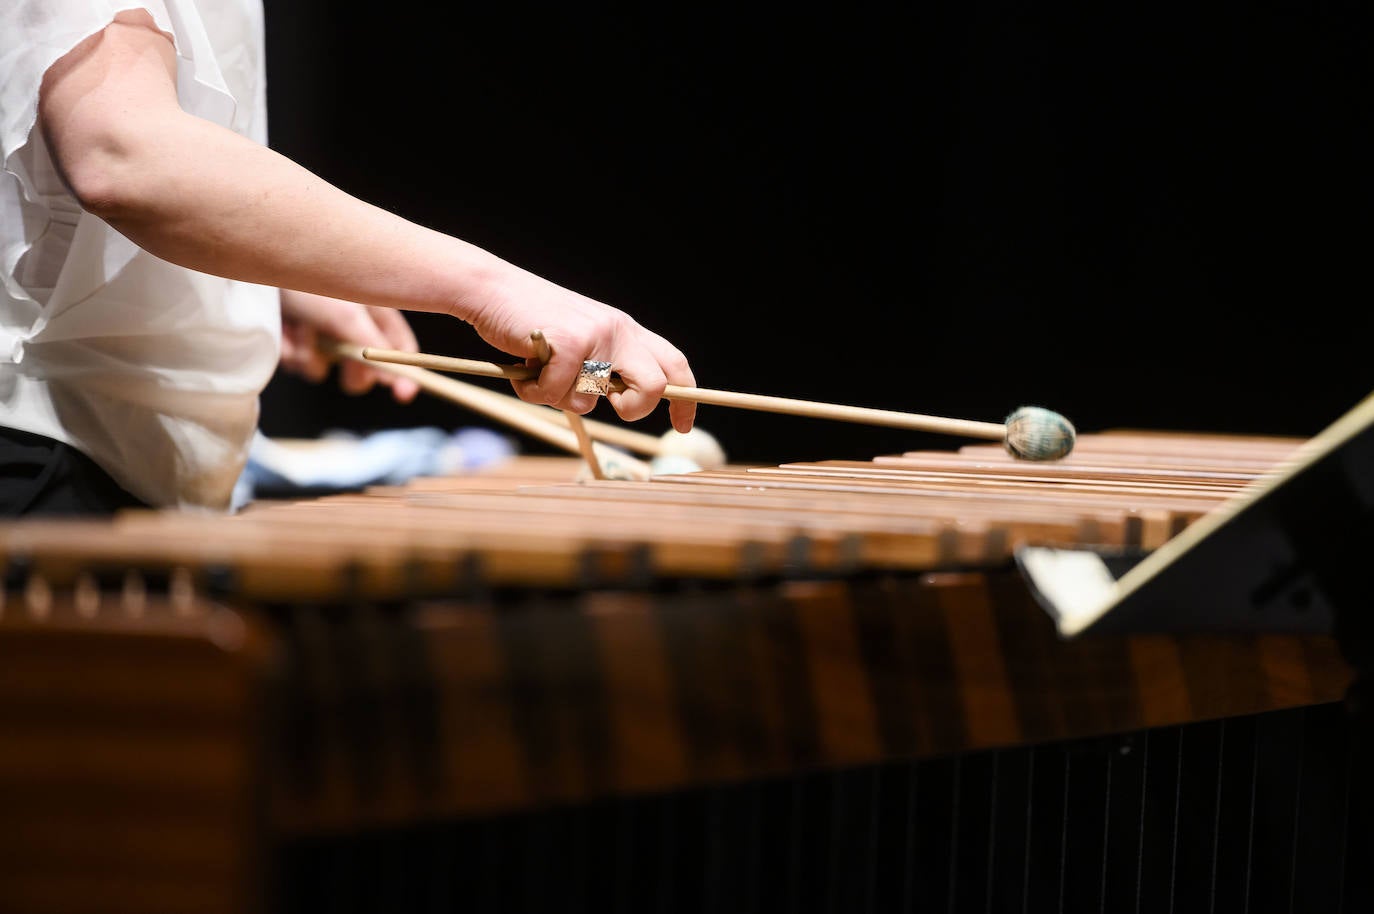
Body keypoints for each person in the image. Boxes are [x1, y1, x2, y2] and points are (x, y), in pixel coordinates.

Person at [0, 0, 695, 516]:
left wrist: (262, 289)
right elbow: (123, 154)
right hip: (45, 459)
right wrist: (494, 289)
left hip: (131, 467)